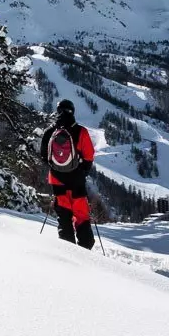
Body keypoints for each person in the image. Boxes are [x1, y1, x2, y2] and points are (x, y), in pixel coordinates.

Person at [39, 99, 96, 249]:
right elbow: (89, 157)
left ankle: (68, 252)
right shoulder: (80, 131)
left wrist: (56, 169)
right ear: (73, 111)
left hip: (57, 181)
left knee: (64, 216)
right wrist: (82, 171)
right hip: (77, 181)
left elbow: (44, 157)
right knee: (82, 215)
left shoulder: (49, 132)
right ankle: (86, 248)